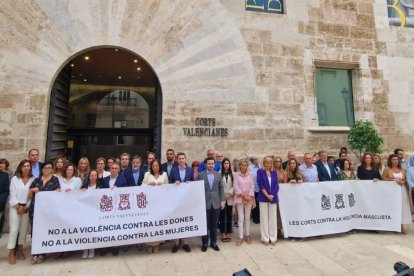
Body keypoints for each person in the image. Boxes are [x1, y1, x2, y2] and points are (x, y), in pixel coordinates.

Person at [28, 161, 60, 264]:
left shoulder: (55, 180)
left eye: (49, 168)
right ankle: (35, 253)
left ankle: (42, 253)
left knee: (45, 230)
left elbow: (58, 193)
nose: (47, 170)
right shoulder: (36, 180)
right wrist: (32, 190)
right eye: (45, 168)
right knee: (35, 230)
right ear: (42, 169)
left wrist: (58, 192)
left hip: (48, 210)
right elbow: (29, 196)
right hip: (35, 209)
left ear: (52, 169)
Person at [7, 160, 35, 264]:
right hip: (15, 207)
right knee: (14, 229)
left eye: (28, 166)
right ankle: (11, 252)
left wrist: (26, 206)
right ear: (21, 167)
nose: (26, 168)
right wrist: (17, 207)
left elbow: (32, 195)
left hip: (26, 207)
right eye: (24, 166)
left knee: (23, 229)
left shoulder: (33, 179)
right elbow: (12, 193)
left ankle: (20, 249)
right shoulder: (15, 179)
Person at [198, 157, 224, 252]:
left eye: (212, 163)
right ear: (205, 165)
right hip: (205, 203)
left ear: (215, 164)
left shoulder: (218, 175)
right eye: (209, 163)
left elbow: (221, 189)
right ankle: (205, 243)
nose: (211, 165)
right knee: (205, 225)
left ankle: (213, 242)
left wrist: (222, 201)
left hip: (216, 203)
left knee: (214, 224)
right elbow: (197, 189)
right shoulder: (200, 175)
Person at [100, 163, 127, 256]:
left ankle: (115, 247)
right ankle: (106, 247)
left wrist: (118, 189)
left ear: (118, 170)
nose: (114, 170)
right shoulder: (104, 180)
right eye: (112, 168)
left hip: (117, 207)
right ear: (109, 169)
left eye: (116, 168)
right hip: (106, 207)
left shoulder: (123, 179)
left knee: (115, 227)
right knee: (106, 228)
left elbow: (126, 192)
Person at [142, 159, 169, 253]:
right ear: (151, 166)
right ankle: (149, 244)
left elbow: (168, 187)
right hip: (150, 203)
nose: (155, 167)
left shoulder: (164, 174)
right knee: (150, 224)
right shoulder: (147, 174)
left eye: (157, 166)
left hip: (161, 203)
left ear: (159, 166)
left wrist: (163, 185)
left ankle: (157, 244)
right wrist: (148, 185)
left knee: (158, 224)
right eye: (153, 166)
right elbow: (142, 186)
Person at [169, 152, 193, 253]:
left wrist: (190, 183)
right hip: (176, 200)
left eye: (183, 158)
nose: (181, 160)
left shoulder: (190, 170)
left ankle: (185, 242)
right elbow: (169, 183)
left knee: (186, 220)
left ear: (185, 159)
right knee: (177, 221)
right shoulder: (174, 170)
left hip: (187, 200)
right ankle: (176, 243)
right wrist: (174, 184)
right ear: (177, 160)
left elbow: (193, 182)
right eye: (179, 158)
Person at [382, 154, 411, 234]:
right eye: (393, 159)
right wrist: (394, 180)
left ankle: (401, 226)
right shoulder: (387, 169)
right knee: (393, 207)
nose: (395, 161)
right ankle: (393, 225)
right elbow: (383, 178)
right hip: (391, 191)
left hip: (401, 190)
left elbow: (405, 179)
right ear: (390, 160)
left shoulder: (403, 169)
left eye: (396, 159)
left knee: (402, 207)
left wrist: (403, 181)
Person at [257, 156, 279, 246]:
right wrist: (267, 195)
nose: (268, 164)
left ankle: (273, 237)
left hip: (273, 197)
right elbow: (260, 184)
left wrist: (272, 195)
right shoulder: (260, 172)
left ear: (271, 164)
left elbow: (276, 185)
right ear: (264, 163)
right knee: (264, 218)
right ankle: (265, 238)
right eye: (266, 162)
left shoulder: (274, 172)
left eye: (269, 163)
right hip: (263, 197)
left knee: (273, 218)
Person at [233, 160, 254, 246]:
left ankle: (248, 235)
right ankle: (240, 237)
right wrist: (243, 195)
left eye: (246, 165)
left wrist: (249, 196)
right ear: (240, 166)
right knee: (241, 218)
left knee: (247, 218)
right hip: (240, 198)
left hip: (249, 198)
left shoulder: (250, 175)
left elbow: (252, 186)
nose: (244, 166)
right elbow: (235, 186)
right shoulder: (236, 175)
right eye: (242, 165)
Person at [80, 170, 99, 258]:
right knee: (85, 231)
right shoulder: (84, 186)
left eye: (95, 175)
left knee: (93, 231)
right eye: (91, 175)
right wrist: (81, 191)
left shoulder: (100, 186)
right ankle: (85, 249)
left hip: (96, 211)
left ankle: (92, 249)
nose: (93, 177)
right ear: (89, 176)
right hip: (85, 212)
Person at [218, 158, 234, 243]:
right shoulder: (219, 174)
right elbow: (219, 186)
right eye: (225, 163)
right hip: (222, 197)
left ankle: (228, 232)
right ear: (222, 164)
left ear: (229, 164)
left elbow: (235, 185)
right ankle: (223, 233)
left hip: (230, 197)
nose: (226, 165)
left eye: (227, 163)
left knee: (229, 216)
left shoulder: (233, 174)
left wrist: (230, 193)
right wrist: (223, 195)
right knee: (222, 216)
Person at [0, 158, 12, 238]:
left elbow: (6, 189)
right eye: (0, 163)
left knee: (2, 215)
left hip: (3, 199)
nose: (1, 165)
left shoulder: (7, 174)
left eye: (3, 163)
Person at [249, 156, 261, 224]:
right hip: (253, 188)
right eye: (256, 159)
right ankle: (255, 218)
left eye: (257, 159)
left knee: (260, 204)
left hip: (260, 188)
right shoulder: (250, 168)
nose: (257, 161)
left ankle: (260, 217)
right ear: (253, 161)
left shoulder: (260, 167)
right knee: (254, 204)